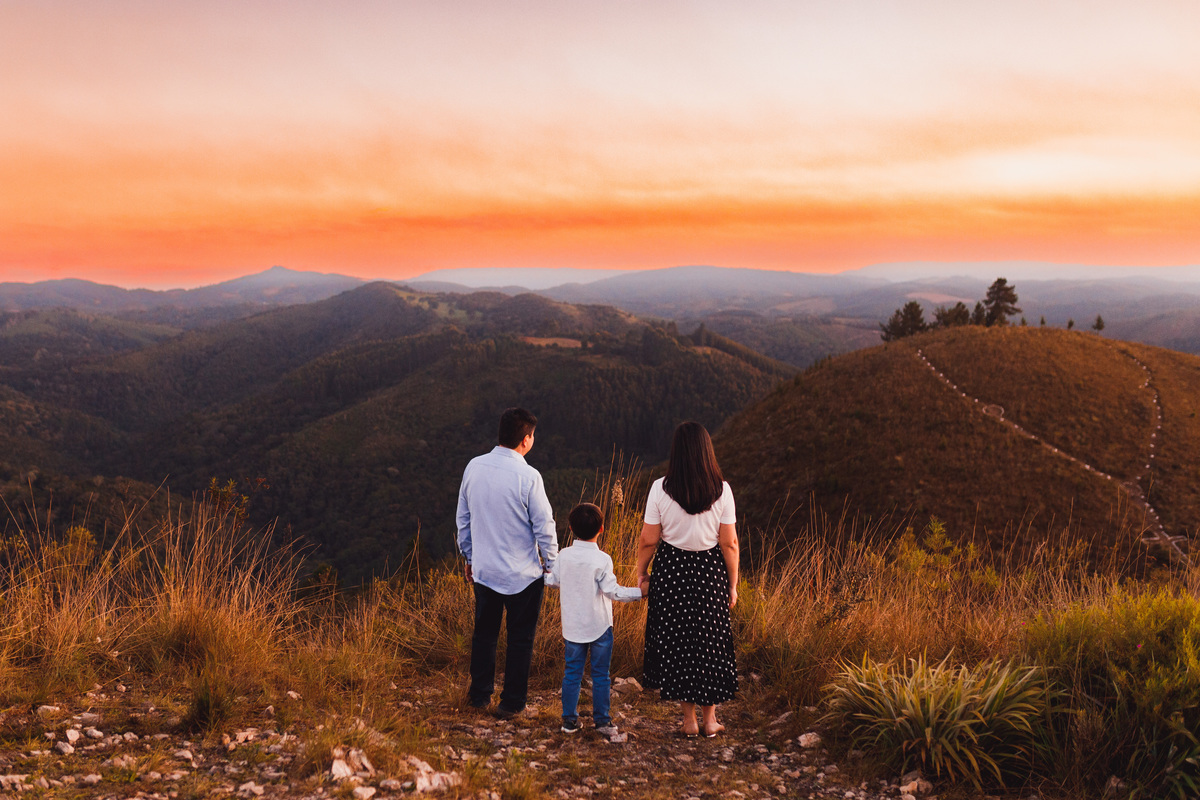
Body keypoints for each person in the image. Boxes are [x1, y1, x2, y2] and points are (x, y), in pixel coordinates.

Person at [636, 421, 739, 738]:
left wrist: (641, 572)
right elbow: (729, 543)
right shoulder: (722, 490)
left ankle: (688, 721)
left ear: (676, 452)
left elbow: (649, 540)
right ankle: (711, 720)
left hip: (672, 570)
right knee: (710, 642)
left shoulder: (660, 488)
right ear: (707, 451)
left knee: (678, 642)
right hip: (709, 571)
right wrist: (732, 584)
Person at [457, 407, 558, 717]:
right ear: (525, 439)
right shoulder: (529, 476)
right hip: (523, 576)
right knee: (520, 639)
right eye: (533, 436)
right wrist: (552, 565)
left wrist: (469, 556)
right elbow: (544, 525)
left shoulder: (474, 467)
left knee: (484, 636)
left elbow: (463, 518)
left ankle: (479, 696)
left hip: (485, 571)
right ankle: (512, 703)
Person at [545, 502, 647, 735]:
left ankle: (569, 722)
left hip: (572, 627)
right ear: (602, 529)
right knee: (601, 675)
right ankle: (602, 721)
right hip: (600, 627)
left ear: (570, 528)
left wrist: (534, 575)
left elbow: (553, 580)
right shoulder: (602, 559)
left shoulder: (563, 556)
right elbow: (613, 592)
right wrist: (639, 593)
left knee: (572, 673)